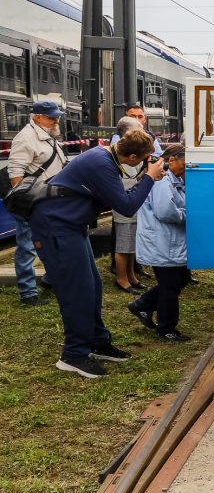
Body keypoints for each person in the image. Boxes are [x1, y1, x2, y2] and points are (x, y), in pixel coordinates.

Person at [30, 129, 166, 378]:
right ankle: (73, 355)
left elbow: (117, 195)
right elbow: (126, 207)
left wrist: (143, 178)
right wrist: (149, 178)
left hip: (69, 226)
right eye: (148, 157)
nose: (150, 162)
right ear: (134, 156)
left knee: (92, 286)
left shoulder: (107, 157)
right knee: (77, 291)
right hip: (55, 227)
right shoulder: (101, 163)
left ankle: (96, 341)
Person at [7, 101, 66, 306]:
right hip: (34, 203)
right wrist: (26, 203)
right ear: (37, 117)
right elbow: (15, 175)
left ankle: (49, 280)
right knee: (27, 248)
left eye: (57, 116)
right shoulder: (25, 138)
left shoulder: (47, 135)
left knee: (53, 241)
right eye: (51, 117)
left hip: (50, 202)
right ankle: (28, 293)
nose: (56, 120)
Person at [130, 144, 190, 341]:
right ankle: (166, 329)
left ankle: (143, 305)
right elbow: (165, 212)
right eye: (185, 161)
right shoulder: (162, 182)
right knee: (170, 287)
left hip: (167, 242)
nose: (188, 166)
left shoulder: (172, 180)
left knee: (181, 279)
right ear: (171, 160)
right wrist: (190, 214)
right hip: (163, 243)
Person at [111, 117, 147, 294]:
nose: (142, 133)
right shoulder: (117, 153)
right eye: (138, 130)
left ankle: (131, 276)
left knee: (132, 243)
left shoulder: (131, 151)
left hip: (133, 200)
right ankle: (122, 279)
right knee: (124, 245)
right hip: (124, 202)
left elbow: (132, 177)